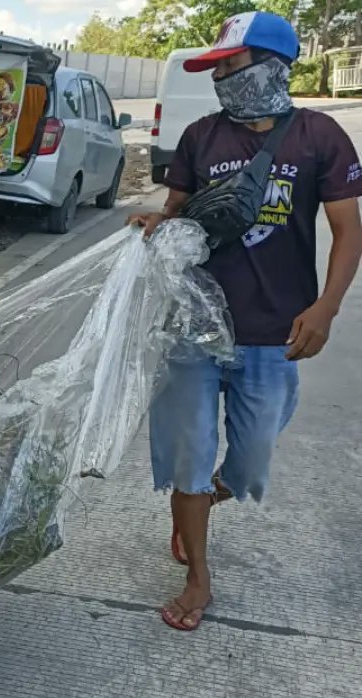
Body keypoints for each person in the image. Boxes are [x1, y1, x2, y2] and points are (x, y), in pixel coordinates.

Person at [127, 11, 362, 631]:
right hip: (194, 328)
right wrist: (157, 220)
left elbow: (346, 231)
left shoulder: (320, 136)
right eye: (218, 69)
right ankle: (198, 574)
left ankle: (205, 499)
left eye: (230, 65)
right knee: (190, 452)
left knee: (251, 461)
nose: (221, 79)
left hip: (273, 330)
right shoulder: (202, 136)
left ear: (272, 64)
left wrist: (327, 307)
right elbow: (176, 210)